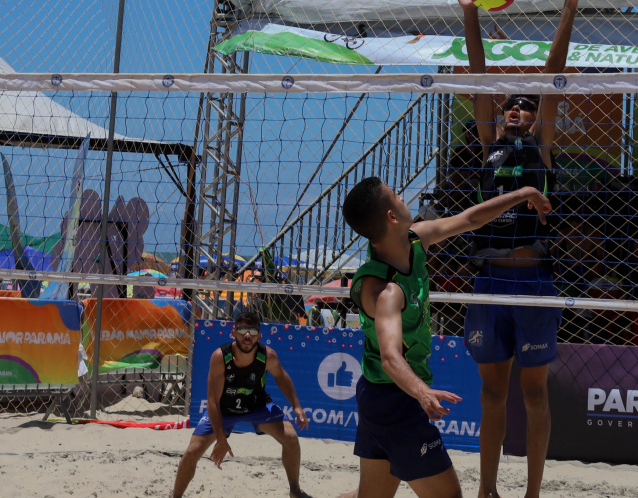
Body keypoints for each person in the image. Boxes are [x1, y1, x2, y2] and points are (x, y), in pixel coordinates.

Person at [447, 0, 593, 498]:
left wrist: (569, 6)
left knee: (534, 395)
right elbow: (482, 75)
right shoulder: (489, 141)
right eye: (512, 104)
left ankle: (531, 493)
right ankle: (486, 491)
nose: (517, 108)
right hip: (488, 281)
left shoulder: (541, 145)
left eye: (526, 107)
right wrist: (470, 16)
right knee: (491, 396)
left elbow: (553, 77)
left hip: (533, 285)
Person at [338, 176, 551, 498]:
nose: (402, 197)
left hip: (378, 395)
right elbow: (390, 357)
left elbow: (471, 219)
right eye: (396, 195)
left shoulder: (415, 240)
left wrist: (522, 194)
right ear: (391, 217)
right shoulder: (386, 291)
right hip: (395, 400)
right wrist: (423, 393)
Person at [171, 311, 310, 498]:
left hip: (257, 406)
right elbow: (212, 401)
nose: (247, 336)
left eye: (252, 332)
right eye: (243, 330)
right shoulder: (220, 357)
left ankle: (295, 490)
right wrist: (221, 439)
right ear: (233, 333)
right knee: (191, 452)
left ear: (259, 336)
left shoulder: (268, 356)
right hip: (224, 410)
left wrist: (297, 406)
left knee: (291, 438)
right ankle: (176, 496)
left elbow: (282, 377)